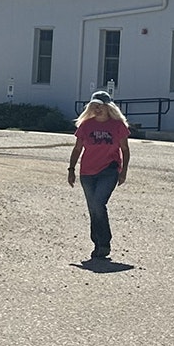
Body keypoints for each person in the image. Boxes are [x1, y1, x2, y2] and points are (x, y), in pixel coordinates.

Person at [68, 90, 131, 260]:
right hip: (87, 172)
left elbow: (125, 149)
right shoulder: (86, 125)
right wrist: (71, 169)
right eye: (94, 106)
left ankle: (104, 243)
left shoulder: (118, 126)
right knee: (93, 209)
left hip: (109, 170)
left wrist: (123, 171)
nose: (97, 110)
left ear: (109, 107)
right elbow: (77, 148)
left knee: (98, 203)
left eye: (101, 106)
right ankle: (97, 243)